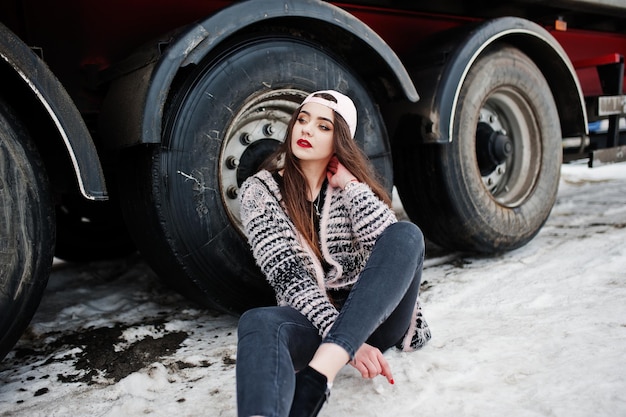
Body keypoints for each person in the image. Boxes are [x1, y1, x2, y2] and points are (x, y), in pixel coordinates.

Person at [237, 90, 430, 417]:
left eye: (323, 126)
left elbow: (394, 251)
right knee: (257, 321)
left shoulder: (349, 187)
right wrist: (346, 343)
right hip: (314, 318)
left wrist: (352, 186)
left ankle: (319, 375)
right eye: (302, 119)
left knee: (407, 234)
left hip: (378, 318)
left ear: (340, 139)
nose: (307, 130)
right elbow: (290, 281)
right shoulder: (259, 192)